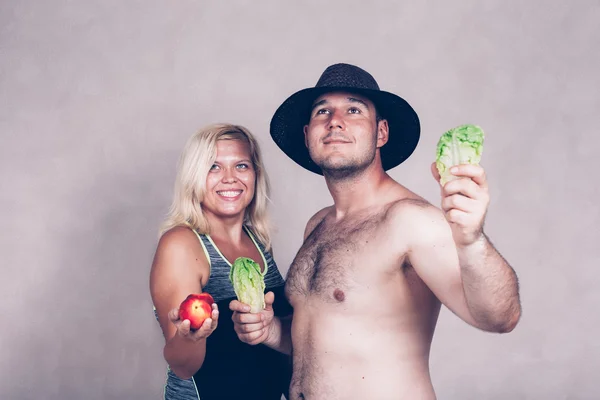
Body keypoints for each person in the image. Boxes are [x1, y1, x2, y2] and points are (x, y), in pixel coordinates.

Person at [229, 63, 522, 399]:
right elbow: (324, 342)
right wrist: (270, 331)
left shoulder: (408, 220)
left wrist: (471, 240)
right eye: (322, 111)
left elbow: (501, 317)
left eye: (354, 109)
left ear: (381, 132)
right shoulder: (318, 224)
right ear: (308, 133)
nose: (334, 120)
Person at [149, 123, 292, 400]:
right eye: (213, 167)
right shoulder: (181, 244)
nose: (229, 178)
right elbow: (182, 365)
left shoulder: (259, 242)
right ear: (194, 177)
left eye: (241, 166)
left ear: (255, 175)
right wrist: (191, 337)